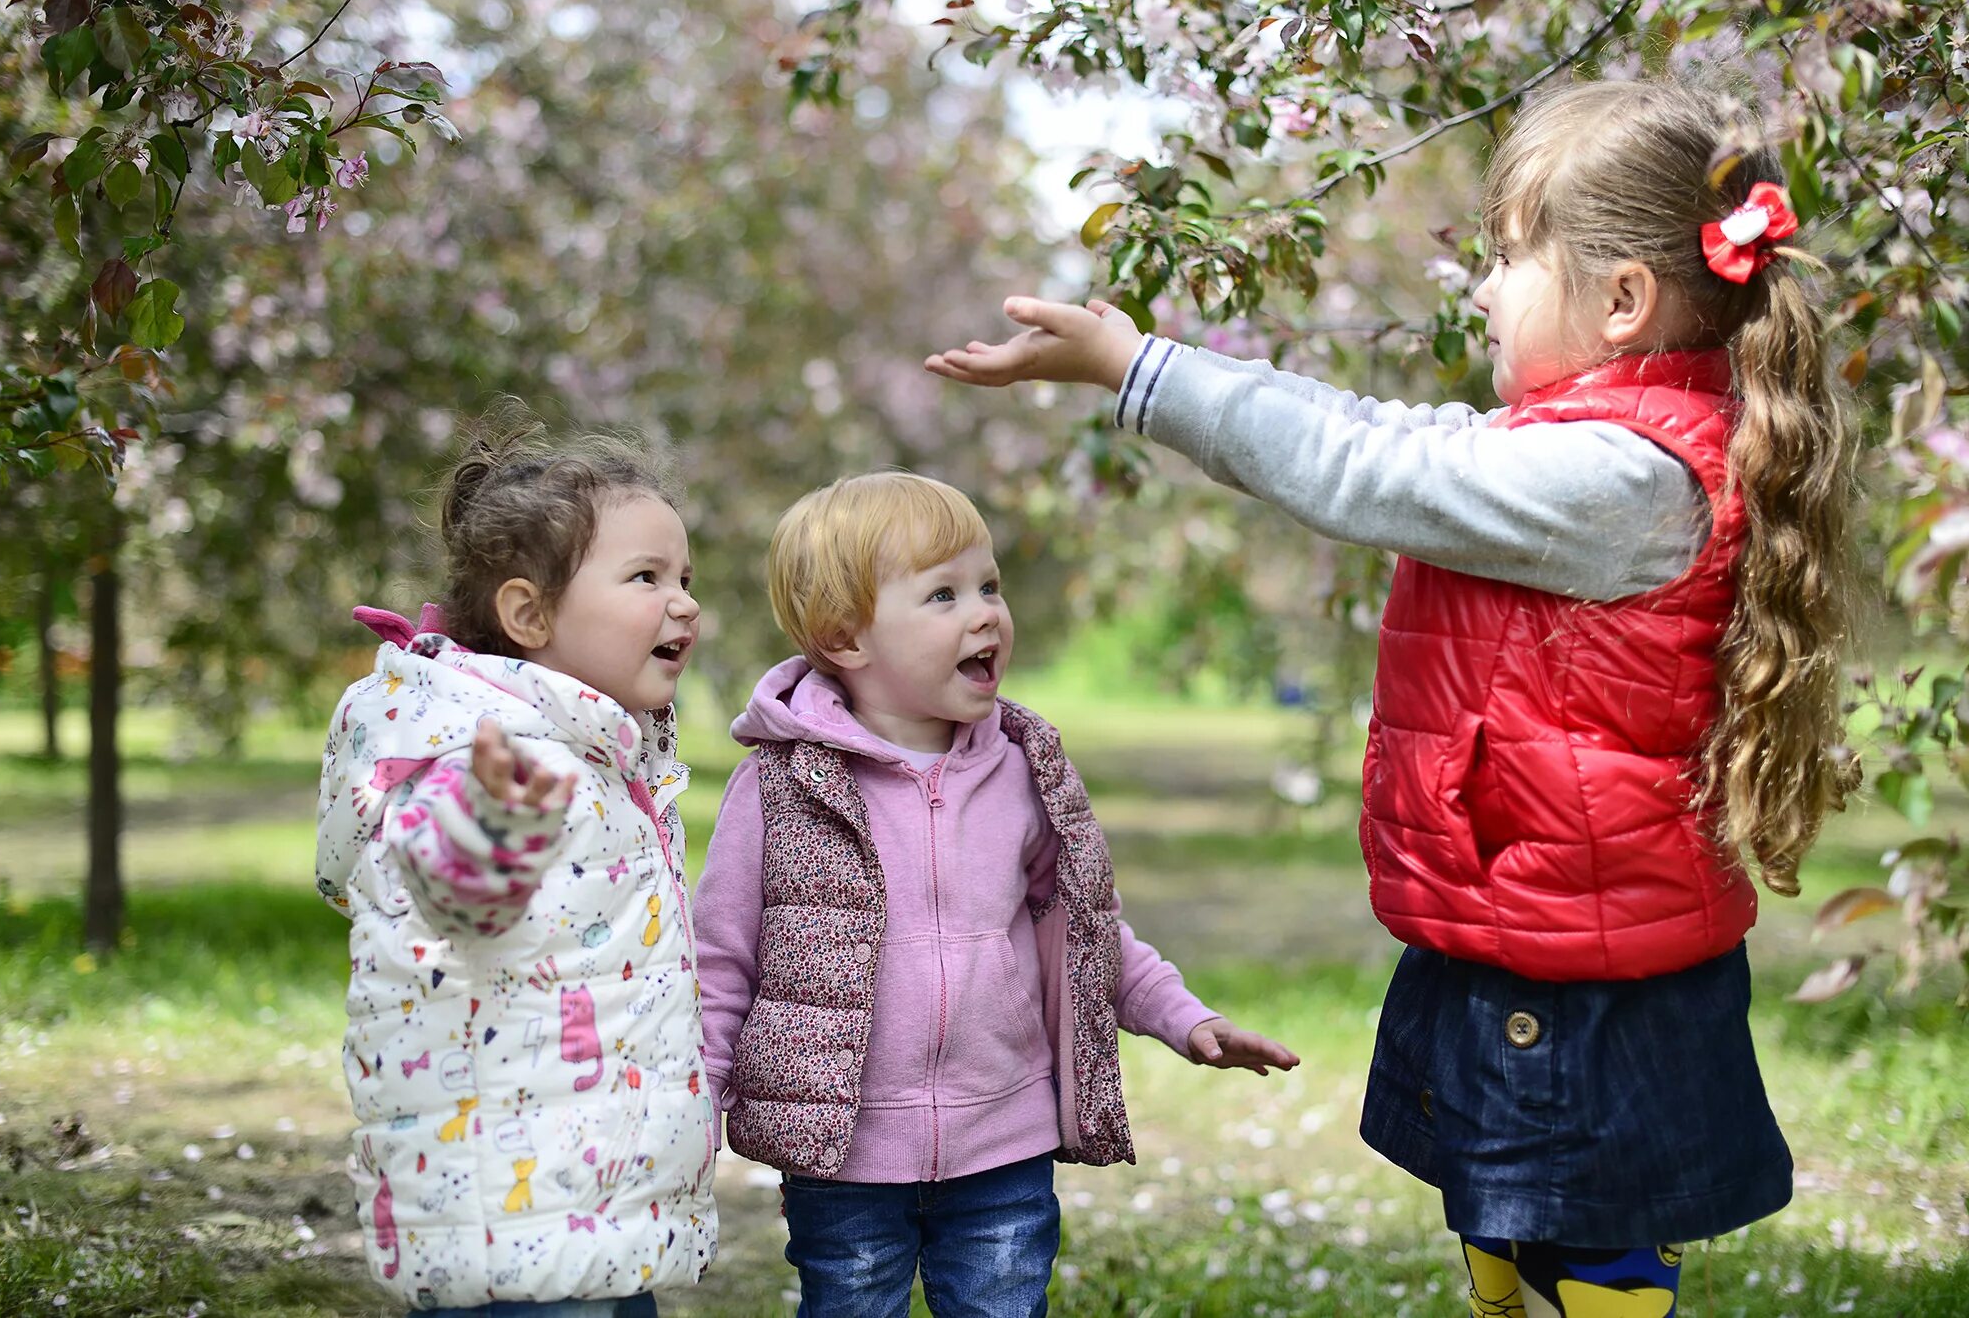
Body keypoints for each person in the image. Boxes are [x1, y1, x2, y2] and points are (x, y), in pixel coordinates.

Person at [926, 79, 1857, 1317]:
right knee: (1507, 1221)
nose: (1480, 287)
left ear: (1622, 299)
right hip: (1530, 936)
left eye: (1510, 256)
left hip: (1573, 980)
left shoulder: (1616, 473)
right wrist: (1146, 367)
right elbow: (1383, 432)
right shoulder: (1589, 446)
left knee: (1576, 1244)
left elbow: (1370, 472)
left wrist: (1131, 365)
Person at [693, 470, 1297, 1317]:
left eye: (990, 585)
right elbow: (721, 965)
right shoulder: (779, 787)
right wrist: (694, 1105)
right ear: (846, 636)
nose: (985, 612)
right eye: (943, 594)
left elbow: (1085, 931)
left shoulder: (1021, 770)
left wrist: (1185, 1017)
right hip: (846, 1151)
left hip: (1004, 1140)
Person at [315, 407, 716, 1315]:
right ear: (529, 613)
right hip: (509, 1214)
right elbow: (451, 884)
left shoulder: (598, 748)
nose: (684, 600)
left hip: (590, 1200)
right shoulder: (474, 752)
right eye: (647, 576)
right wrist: (491, 824)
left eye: (686, 575)